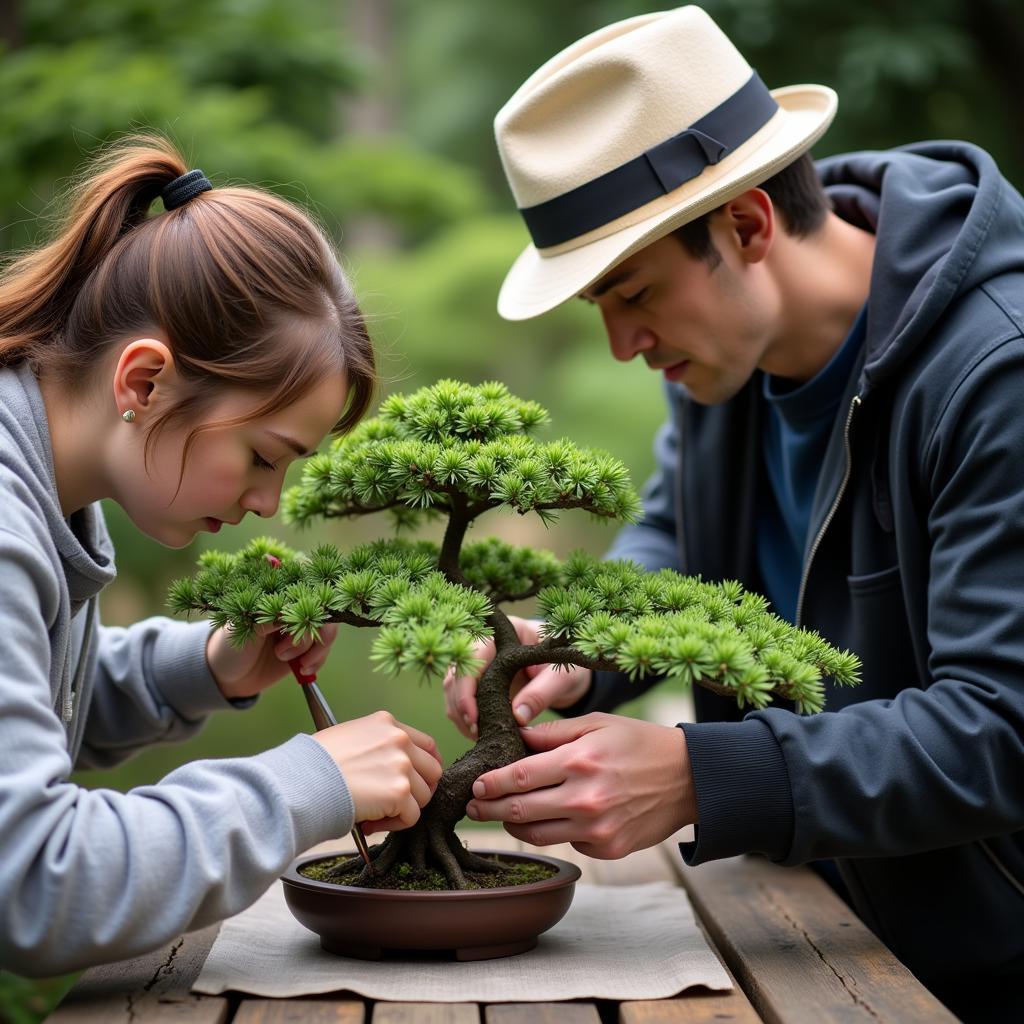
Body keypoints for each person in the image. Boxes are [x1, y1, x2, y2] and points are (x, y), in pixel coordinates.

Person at [444, 7, 1024, 1019]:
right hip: (817, 931)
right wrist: (577, 648)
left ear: (748, 225)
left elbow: (1001, 727)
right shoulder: (728, 357)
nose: (624, 343)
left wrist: (703, 777)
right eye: (600, 311)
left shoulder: (995, 371)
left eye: (633, 294)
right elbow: (679, 538)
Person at [0, 136, 443, 975]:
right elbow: (36, 882)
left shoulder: (46, 489)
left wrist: (208, 666)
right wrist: (307, 781)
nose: (267, 504)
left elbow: (29, 705)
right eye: (263, 455)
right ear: (143, 383)